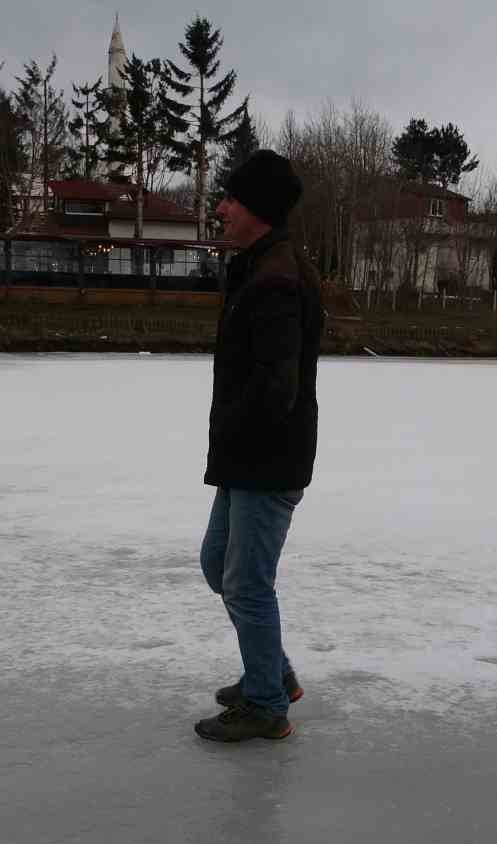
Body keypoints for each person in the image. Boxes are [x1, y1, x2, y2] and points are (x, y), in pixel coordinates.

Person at [194, 149, 325, 743]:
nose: (220, 208)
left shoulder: (276, 279)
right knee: (218, 565)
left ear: (259, 211)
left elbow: (277, 389)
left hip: (267, 460)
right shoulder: (259, 264)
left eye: (231, 200)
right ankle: (272, 672)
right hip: (249, 457)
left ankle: (268, 703)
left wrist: (237, 436)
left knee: (246, 582)